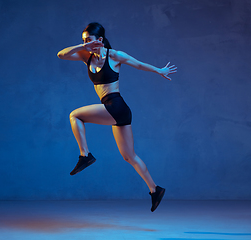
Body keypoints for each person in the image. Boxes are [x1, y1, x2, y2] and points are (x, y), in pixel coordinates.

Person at [57, 22, 177, 212]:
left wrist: (159, 70)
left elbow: (138, 64)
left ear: (100, 40)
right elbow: (61, 54)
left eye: (89, 40)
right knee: (129, 156)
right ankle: (155, 189)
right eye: (83, 40)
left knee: (75, 115)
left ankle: (85, 155)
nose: (86, 43)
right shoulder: (85, 56)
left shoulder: (114, 56)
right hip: (115, 110)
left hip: (116, 106)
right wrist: (83, 47)